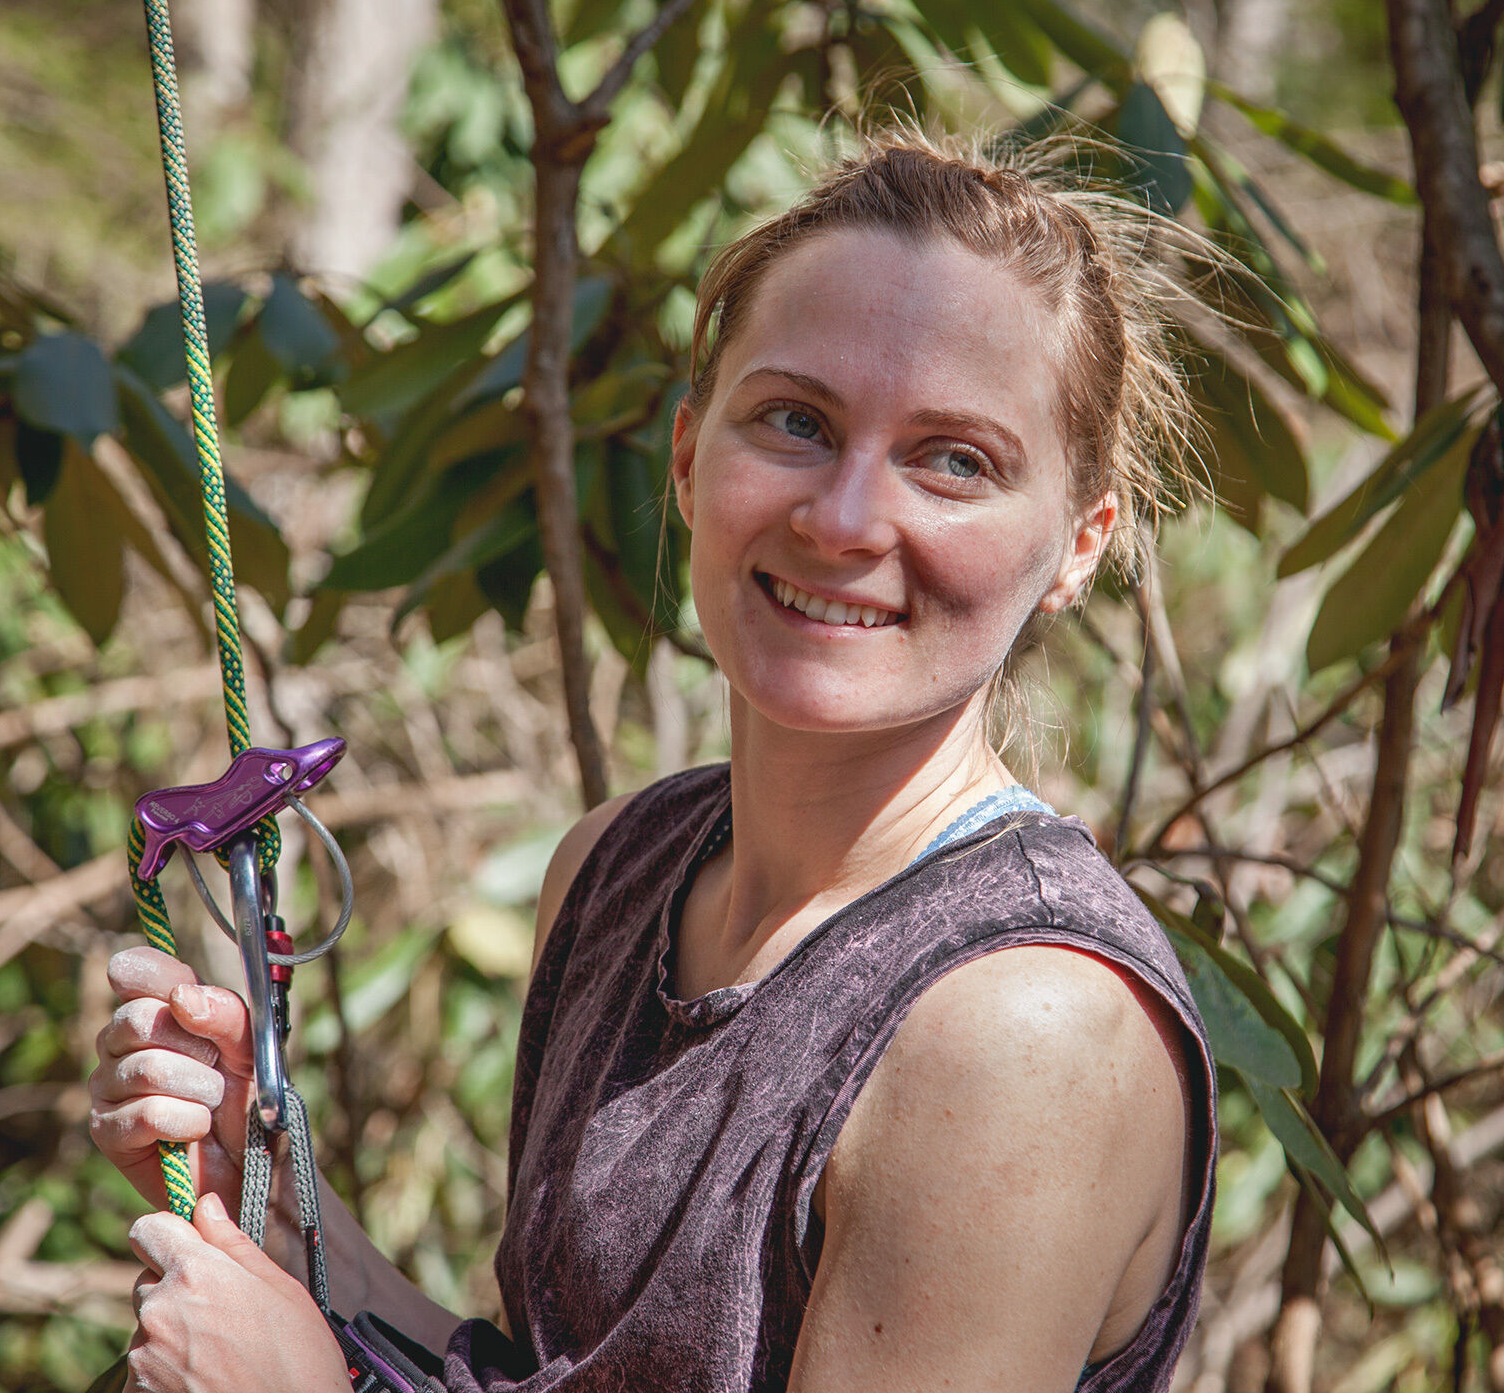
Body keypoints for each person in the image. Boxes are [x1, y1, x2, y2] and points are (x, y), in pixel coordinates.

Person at [88, 130, 1219, 1393]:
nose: (845, 519)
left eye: (954, 461)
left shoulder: (1021, 1031)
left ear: (1080, 546)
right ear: (688, 458)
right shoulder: (620, 869)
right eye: (796, 422)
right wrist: (274, 1200)